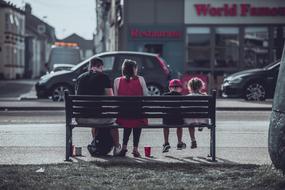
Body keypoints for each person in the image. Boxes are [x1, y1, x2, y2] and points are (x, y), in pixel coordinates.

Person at [75, 57, 121, 156]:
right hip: (97, 118)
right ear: (100, 66)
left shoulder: (80, 78)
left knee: (94, 116)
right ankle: (117, 147)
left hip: (81, 118)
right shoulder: (103, 77)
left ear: (90, 66)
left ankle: (96, 144)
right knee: (114, 122)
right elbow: (111, 98)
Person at [113, 59, 149, 157]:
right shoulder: (140, 79)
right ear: (134, 69)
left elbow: (116, 98)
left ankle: (124, 147)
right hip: (138, 115)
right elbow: (146, 95)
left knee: (128, 121)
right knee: (137, 120)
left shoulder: (117, 81)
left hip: (122, 116)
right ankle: (135, 149)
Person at [162, 79, 186, 153]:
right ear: (180, 89)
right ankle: (179, 143)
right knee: (180, 124)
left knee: (165, 124)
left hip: (167, 120)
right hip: (178, 119)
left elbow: (161, 106)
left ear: (170, 88)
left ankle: (166, 143)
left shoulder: (164, 95)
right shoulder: (182, 96)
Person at [185, 77, 209, 149]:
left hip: (190, 119)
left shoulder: (187, 97)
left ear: (190, 87)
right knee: (204, 115)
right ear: (201, 86)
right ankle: (201, 125)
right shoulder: (204, 96)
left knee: (190, 122)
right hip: (203, 118)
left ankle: (193, 140)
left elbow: (184, 108)